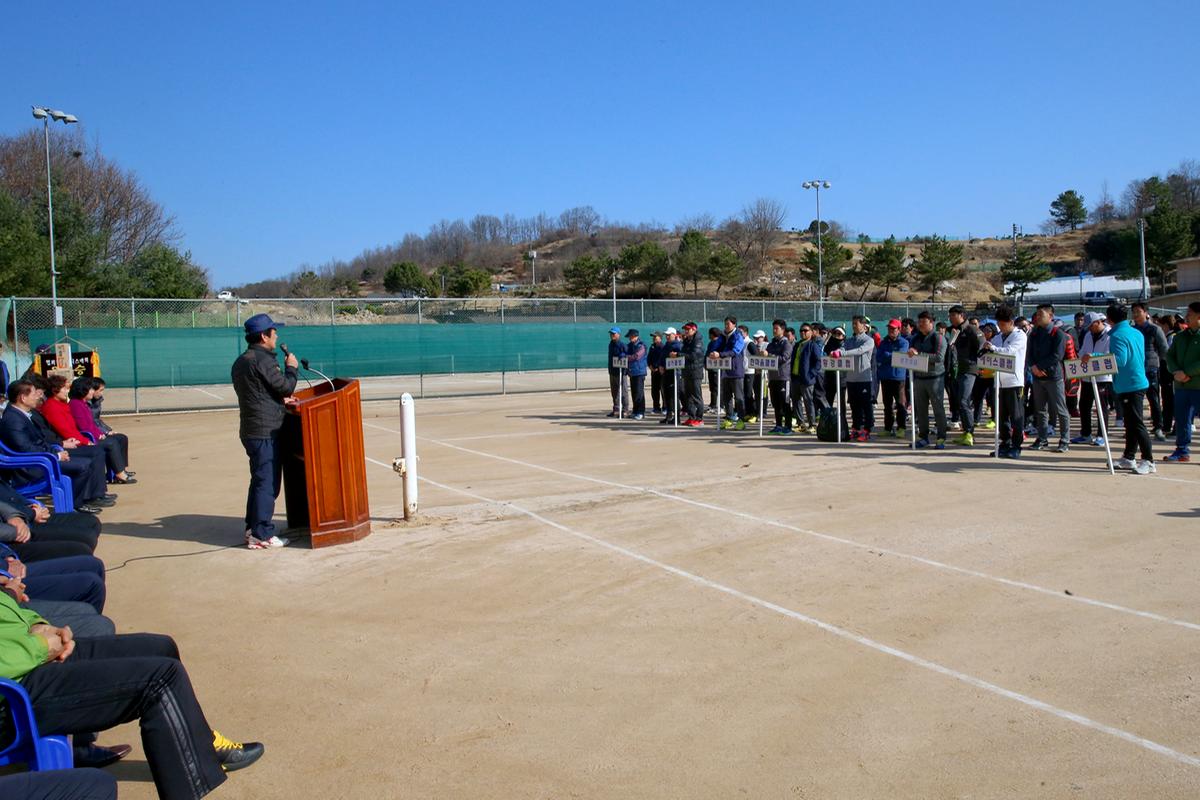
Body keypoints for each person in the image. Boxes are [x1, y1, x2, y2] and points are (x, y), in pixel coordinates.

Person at [0, 590, 266, 799]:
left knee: (160, 647)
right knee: (160, 680)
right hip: (13, 694)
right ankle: (193, 776)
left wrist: (38, 624)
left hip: (26, 656)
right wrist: (38, 646)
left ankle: (203, 743)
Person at [231, 313, 299, 550]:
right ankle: (261, 534)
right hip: (264, 431)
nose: (276, 335)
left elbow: (260, 393)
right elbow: (284, 386)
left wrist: (281, 400)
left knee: (259, 481)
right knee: (267, 483)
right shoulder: (263, 360)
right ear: (264, 335)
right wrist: (291, 369)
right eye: (273, 331)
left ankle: (253, 529)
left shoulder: (242, 360)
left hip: (251, 429)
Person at [2, 381, 111, 513]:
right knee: (83, 465)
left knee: (89, 459)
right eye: (34, 393)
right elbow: (26, 448)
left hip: (43, 458)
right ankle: (77, 504)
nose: (37, 397)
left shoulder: (22, 414)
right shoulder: (13, 419)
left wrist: (56, 450)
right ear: (23, 398)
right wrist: (56, 455)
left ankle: (81, 501)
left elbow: (39, 442)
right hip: (31, 467)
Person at [40, 374, 135, 485]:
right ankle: (116, 476)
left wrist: (101, 433)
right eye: (64, 388)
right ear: (55, 390)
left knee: (119, 438)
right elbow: (72, 429)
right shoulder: (58, 406)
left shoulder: (67, 404)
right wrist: (87, 441)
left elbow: (87, 425)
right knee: (108, 445)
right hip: (72, 442)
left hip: (78, 439)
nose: (67, 391)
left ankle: (117, 472)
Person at [1104, 304, 1155, 474]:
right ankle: (1129, 457)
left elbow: (1120, 360)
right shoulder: (1136, 332)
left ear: (1109, 319)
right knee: (1131, 423)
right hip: (1136, 381)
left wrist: (1095, 358)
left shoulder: (1117, 335)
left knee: (1136, 423)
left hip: (1130, 384)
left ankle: (1149, 460)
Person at [982, 306, 1028, 459]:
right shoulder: (997, 337)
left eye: (1004, 324)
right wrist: (986, 349)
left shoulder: (1020, 336)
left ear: (1011, 322)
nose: (1001, 327)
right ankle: (1005, 443)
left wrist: (993, 348)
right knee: (1001, 417)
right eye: (999, 324)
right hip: (998, 382)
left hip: (1014, 382)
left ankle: (1016, 446)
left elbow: (1010, 351)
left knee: (1016, 416)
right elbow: (991, 353)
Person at [69, 377, 133, 482]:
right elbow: (84, 426)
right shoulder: (76, 404)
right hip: (87, 438)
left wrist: (102, 432)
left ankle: (121, 469)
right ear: (83, 390)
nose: (92, 391)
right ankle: (119, 474)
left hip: (94, 434)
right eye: (91, 389)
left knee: (121, 438)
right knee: (111, 443)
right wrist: (99, 435)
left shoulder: (82, 404)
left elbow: (93, 423)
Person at [1026, 304, 1070, 453]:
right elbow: (1029, 353)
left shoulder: (1058, 334)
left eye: (1041, 315)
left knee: (1060, 409)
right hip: (1037, 377)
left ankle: (1064, 439)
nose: (1037, 317)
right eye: (1037, 314)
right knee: (1040, 410)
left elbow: (1057, 355)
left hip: (1053, 377)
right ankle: (1042, 438)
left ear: (1050, 316)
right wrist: (1033, 367)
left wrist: (1040, 367)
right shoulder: (1034, 333)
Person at [1164, 301, 1200, 463]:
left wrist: (1186, 372)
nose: (1186, 316)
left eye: (1190, 314)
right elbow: (1169, 356)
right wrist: (1176, 371)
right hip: (1181, 386)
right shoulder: (1180, 336)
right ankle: (1182, 450)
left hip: (1197, 385)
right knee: (1182, 419)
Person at [830, 316, 876, 442]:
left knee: (866, 406)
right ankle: (856, 428)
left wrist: (842, 353)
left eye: (856, 324)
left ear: (863, 325)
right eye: (853, 324)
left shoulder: (869, 340)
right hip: (851, 379)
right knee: (854, 406)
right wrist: (837, 351)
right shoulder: (850, 340)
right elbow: (844, 348)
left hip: (864, 378)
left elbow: (860, 351)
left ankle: (867, 429)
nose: (854, 326)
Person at [907, 311, 948, 449]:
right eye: (919, 322)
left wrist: (919, 355)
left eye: (924, 322)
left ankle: (941, 437)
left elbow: (939, 357)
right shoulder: (915, 338)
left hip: (935, 378)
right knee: (921, 410)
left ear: (931, 323)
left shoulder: (938, 338)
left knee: (938, 409)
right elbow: (910, 354)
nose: (920, 325)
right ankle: (923, 437)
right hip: (919, 378)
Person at [1073, 312, 1113, 447]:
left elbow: (1109, 354)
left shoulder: (1109, 334)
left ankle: (1102, 435)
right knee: (1084, 405)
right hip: (1088, 376)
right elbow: (1083, 351)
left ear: (1098, 322)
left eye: (1091, 325)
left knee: (1102, 406)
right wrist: (1082, 357)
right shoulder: (1088, 335)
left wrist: (1093, 355)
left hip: (1103, 376)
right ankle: (1085, 433)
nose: (1089, 328)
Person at [1131, 303, 1169, 442]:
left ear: (1146, 312)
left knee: (1153, 399)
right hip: (1136, 369)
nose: (1135, 315)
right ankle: (1137, 428)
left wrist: (1163, 366)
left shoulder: (1155, 329)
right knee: (1137, 401)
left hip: (1151, 368)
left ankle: (1158, 427)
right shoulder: (1132, 330)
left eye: (1138, 311)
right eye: (1133, 312)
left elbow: (1164, 349)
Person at [948, 305, 982, 446]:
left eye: (952, 315)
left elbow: (982, 347)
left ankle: (970, 433)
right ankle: (965, 431)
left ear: (961, 315)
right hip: (959, 370)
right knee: (959, 401)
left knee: (964, 400)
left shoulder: (972, 330)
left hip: (970, 370)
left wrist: (979, 366)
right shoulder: (955, 331)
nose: (950, 318)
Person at [711, 317, 747, 430]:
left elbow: (735, 351)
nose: (726, 326)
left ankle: (741, 420)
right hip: (724, 371)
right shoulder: (722, 336)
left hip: (736, 371)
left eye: (728, 324)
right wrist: (712, 353)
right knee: (726, 397)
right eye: (725, 324)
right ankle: (729, 418)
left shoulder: (738, 336)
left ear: (734, 324)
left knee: (739, 398)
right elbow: (716, 346)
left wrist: (720, 355)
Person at [875, 319, 909, 437]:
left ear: (899, 329)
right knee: (887, 405)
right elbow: (879, 356)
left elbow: (900, 356)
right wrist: (890, 356)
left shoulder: (903, 342)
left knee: (900, 404)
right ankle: (888, 427)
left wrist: (887, 355)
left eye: (893, 328)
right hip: (885, 377)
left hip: (898, 377)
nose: (891, 330)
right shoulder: (884, 342)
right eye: (889, 328)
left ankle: (901, 427)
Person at [790, 323, 824, 433]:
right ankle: (801, 424)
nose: (803, 333)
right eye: (801, 331)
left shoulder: (812, 345)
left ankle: (812, 424)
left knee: (808, 402)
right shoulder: (797, 345)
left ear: (811, 332)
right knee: (796, 401)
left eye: (805, 330)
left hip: (806, 379)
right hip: (795, 378)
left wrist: (810, 374)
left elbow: (818, 362)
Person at [765, 320, 794, 435]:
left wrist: (770, 356)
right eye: (773, 328)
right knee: (776, 403)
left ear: (782, 330)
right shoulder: (771, 344)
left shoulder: (787, 344)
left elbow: (784, 358)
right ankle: (778, 425)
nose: (774, 330)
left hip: (783, 378)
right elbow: (765, 357)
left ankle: (788, 426)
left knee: (785, 403)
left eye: (776, 328)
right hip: (773, 378)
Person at [680, 323, 707, 427]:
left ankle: (699, 419)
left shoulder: (697, 341)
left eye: (688, 329)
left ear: (694, 329)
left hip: (695, 372)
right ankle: (691, 417)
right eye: (685, 329)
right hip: (687, 371)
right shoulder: (686, 341)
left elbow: (694, 355)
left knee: (696, 396)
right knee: (688, 397)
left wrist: (679, 354)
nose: (686, 331)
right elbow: (683, 352)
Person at [624, 329, 647, 420]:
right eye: (629, 337)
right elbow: (624, 351)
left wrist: (626, 357)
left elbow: (637, 356)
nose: (630, 338)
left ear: (636, 336)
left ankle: (641, 412)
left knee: (639, 393)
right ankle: (635, 411)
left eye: (631, 336)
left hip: (639, 372)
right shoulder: (629, 345)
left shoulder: (641, 346)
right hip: (632, 372)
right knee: (634, 393)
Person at [647, 331, 667, 415]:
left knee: (663, 390)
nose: (654, 338)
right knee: (654, 391)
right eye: (653, 337)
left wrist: (659, 367)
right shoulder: (652, 347)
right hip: (653, 372)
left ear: (660, 338)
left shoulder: (663, 347)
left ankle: (665, 407)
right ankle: (656, 407)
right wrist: (650, 366)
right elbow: (649, 358)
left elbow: (663, 358)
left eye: (656, 337)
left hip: (661, 372)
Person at [705, 327, 723, 411]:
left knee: (717, 387)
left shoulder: (720, 342)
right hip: (711, 369)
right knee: (712, 387)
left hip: (717, 369)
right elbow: (707, 354)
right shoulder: (710, 343)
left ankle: (721, 405)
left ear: (712, 334)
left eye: (709, 334)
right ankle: (713, 404)